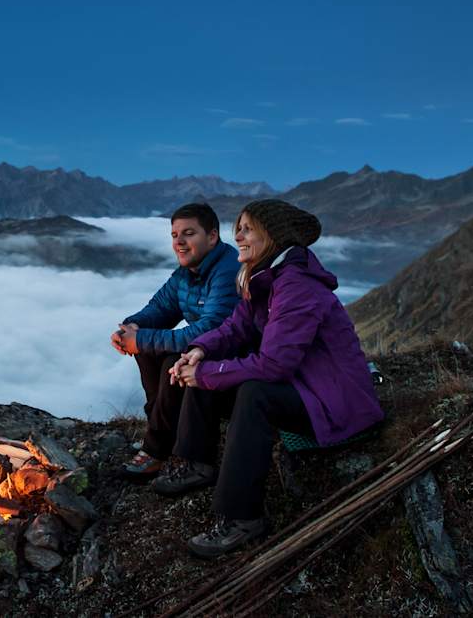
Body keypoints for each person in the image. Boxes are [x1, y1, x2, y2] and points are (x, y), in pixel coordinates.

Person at [152, 199, 384, 558]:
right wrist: (200, 349)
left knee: (253, 393)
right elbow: (235, 327)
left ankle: (242, 517)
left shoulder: (297, 285)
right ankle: (196, 462)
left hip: (335, 401)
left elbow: (274, 365)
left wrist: (207, 374)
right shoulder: (265, 277)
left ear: (272, 235)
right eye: (238, 229)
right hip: (304, 387)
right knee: (215, 364)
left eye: (247, 229)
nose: (239, 236)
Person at [111, 202, 240, 480]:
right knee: (146, 349)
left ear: (213, 236)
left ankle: (157, 451)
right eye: (174, 235)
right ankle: (160, 431)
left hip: (234, 358)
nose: (179, 242)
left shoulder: (227, 271)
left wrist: (142, 338)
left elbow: (210, 330)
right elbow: (160, 308)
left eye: (189, 233)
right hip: (204, 350)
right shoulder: (188, 272)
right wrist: (131, 327)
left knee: (171, 358)